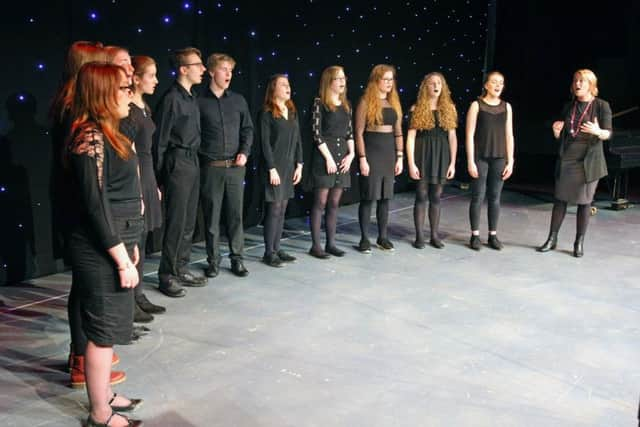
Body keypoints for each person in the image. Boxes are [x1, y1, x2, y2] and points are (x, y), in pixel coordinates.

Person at [65, 62, 142, 427]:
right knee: (102, 332)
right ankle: (99, 412)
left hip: (117, 240)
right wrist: (121, 258)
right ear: (103, 95)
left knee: (108, 328)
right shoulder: (89, 138)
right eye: (124, 89)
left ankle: (105, 395)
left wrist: (132, 243)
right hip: (99, 249)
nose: (130, 94)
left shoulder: (111, 133)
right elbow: (95, 208)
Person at [49, 41, 126, 389]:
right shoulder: (80, 121)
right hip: (82, 215)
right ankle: (83, 358)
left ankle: (87, 354)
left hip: (85, 210)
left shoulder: (80, 114)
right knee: (87, 292)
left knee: (88, 292)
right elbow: (90, 190)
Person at [537, 69, 611, 257]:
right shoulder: (569, 106)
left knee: (584, 202)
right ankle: (551, 239)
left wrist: (597, 131)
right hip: (567, 158)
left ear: (591, 85)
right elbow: (565, 132)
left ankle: (578, 242)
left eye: (582, 81)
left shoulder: (602, 106)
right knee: (560, 199)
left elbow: (608, 133)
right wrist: (556, 132)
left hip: (588, 162)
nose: (577, 84)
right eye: (576, 81)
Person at [153, 47, 208, 297]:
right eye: (198, 65)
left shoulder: (191, 97)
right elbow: (160, 140)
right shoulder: (171, 98)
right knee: (176, 221)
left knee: (188, 220)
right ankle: (167, 275)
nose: (203, 70)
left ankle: (181, 267)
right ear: (183, 69)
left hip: (192, 160)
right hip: (177, 161)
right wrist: (159, 177)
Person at [198, 53, 254, 278]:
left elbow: (247, 129)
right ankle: (213, 260)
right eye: (223, 69)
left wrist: (244, 152)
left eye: (230, 69)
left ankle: (237, 259)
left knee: (235, 216)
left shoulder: (238, 100)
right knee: (211, 218)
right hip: (211, 167)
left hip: (235, 167)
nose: (228, 73)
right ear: (211, 72)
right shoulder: (198, 101)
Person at [122, 55, 165, 319]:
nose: (156, 81)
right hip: (136, 175)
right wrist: (137, 186)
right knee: (134, 240)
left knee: (144, 237)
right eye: (151, 75)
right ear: (136, 79)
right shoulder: (127, 110)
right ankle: (129, 302)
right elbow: (129, 151)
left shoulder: (145, 107)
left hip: (148, 174)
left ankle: (138, 295)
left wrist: (152, 184)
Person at [354, 64, 403, 253]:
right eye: (386, 79)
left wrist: (400, 157)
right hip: (372, 153)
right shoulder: (366, 101)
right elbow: (359, 132)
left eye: (392, 80)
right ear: (376, 81)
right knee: (369, 197)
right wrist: (362, 158)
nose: (389, 83)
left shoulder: (394, 102)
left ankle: (382, 237)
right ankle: (364, 239)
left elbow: (398, 133)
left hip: (389, 153)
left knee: (385, 198)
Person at [406, 72, 458, 249]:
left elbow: (452, 137)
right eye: (432, 83)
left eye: (439, 83)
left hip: (441, 155)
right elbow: (411, 137)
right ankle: (419, 235)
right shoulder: (416, 108)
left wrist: (452, 162)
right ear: (425, 87)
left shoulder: (449, 108)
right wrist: (411, 163)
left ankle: (434, 235)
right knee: (421, 195)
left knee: (436, 196)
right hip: (422, 155)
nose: (436, 86)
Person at [308, 66, 355, 259]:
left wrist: (351, 154)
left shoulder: (346, 105)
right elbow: (316, 133)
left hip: (342, 155)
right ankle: (316, 245)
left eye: (343, 78)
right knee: (320, 201)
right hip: (325, 156)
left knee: (335, 203)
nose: (342, 82)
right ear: (329, 82)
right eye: (337, 79)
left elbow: (349, 133)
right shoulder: (320, 103)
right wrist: (328, 158)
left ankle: (331, 243)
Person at [465, 70, 514, 250]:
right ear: (486, 85)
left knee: (495, 197)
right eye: (494, 82)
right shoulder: (476, 105)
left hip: (499, 157)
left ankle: (493, 235)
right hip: (480, 157)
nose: (498, 85)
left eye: (501, 82)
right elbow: (469, 134)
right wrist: (470, 160)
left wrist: (511, 161)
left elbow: (509, 135)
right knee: (477, 195)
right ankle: (475, 235)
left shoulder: (506, 107)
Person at [259, 74, 303, 267]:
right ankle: (269, 252)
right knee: (274, 208)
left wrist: (299, 164)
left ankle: (277, 248)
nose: (288, 87)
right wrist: (271, 168)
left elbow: (298, 140)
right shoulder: (267, 113)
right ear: (273, 89)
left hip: (289, 166)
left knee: (283, 208)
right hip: (275, 167)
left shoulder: (292, 111)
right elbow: (265, 144)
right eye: (283, 84)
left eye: (289, 84)